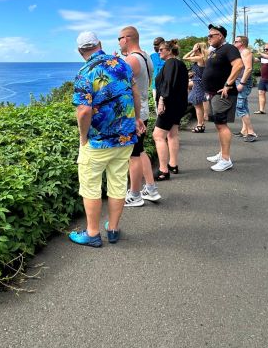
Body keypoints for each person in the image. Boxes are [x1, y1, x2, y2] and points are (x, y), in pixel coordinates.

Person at [70, 31, 146, 247]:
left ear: (79, 51)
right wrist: (137, 119)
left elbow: (84, 111)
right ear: (100, 44)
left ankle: (92, 233)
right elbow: (135, 94)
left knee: (91, 186)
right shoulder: (122, 65)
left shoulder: (84, 73)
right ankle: (113, 229)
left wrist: (83, 136)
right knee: (118, 183)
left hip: (97, 141)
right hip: (124, 138)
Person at [118, 26, 160, 208]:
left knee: (133, 155)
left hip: (133, 114)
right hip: (143, 110)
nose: (118, 42)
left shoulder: (131, 60)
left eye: (119, 38)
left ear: (126, 39)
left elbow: (118, 85)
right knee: (140, 150)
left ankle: (135, 194)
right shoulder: (146, 57)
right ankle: (150, 188)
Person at [201, 24, 244, 172]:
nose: (208, 38)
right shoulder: (216, 51)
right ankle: (222, 154)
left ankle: (226, 159)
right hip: (214, 93)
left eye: (211, 35)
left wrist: (228, 84)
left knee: (222, 125)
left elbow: (238, 65)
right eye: (208, 36)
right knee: (219, 125)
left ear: (220, 36)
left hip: (223, 93)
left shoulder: (229, 48)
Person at [152, 39, 189, 180]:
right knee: (172, 134)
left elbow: (168, 84)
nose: (159, 52)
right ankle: (173, 164)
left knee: (158, 135)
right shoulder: (180, 64)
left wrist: (162, 101)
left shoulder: (171, 63)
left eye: (161, 49)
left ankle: (163, 170)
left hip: (169, 105)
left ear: (169, 51)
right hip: (178, 105)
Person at [232, 35, 257, 141]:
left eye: (236, 41)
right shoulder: (241, 53)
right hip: (239, 80)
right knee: (244, 106)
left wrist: (242, 83)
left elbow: (248, 68)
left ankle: (251, 132)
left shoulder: (245, 52)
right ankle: (244, 130)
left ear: (241, 43)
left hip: (243, 81)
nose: (234, 42)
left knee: (240, 106)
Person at [182, 41, 208, 132]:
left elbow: (184, 58)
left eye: (195, 48)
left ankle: (200, 125)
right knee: (199, 105)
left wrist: (192, 51)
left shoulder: (199, 58)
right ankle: (201, 124)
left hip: (198, 84)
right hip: (199, 82)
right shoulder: (203, 58)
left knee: (197, 105)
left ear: (198, 48)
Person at [150, 36, 165, 107]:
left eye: (157, 44)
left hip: (166, 86)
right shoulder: (152, 56)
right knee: (157, 105)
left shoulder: (168, 55)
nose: (155, 46)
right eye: (154, 45)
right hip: (155, 86)